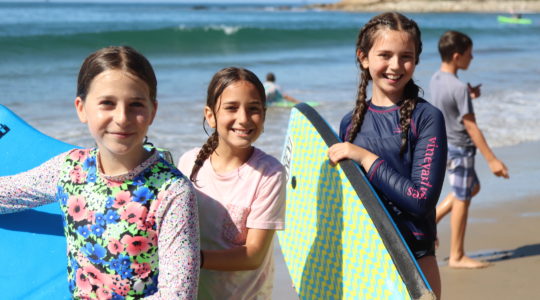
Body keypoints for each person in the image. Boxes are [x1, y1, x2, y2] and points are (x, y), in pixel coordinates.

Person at [0, 46, 200, 299]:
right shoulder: (70, 169)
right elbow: (9, 193)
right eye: (107, 103)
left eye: (136, 104)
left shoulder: (171, 191)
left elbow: (179, 295)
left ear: (153, 111)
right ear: (81, 108)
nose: (122, 117)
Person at [327, 12, 447, 299]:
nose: (395, 65)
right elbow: (347, 199)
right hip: (365, 258)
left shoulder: (427, 117)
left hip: (415, 258)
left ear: (416, 59)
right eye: (385, 55)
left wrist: (365, 158)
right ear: (364, 58)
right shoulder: (350, 122)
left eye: (406, 56)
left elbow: (420, 201)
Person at [178, 67, 286, 299]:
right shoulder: (189, 162)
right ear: (210, 115)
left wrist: (189, 259)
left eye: (254, 109)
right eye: (231, 108)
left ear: (264, 115)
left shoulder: (269, 173)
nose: (244, 118)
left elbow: (253, 256)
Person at [430, 31, 509, 269]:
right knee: (463, 198)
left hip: (446, 145)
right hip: (461, 149)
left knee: (472, 187)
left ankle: (431, 219)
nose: (472, 57)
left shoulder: (436, 78)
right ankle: (457, 256)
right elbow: (472, 127)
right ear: (456, 56)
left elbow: (446, 102)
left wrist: (468, 94)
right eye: (469, 53)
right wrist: (492, 160)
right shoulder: (459, 88)